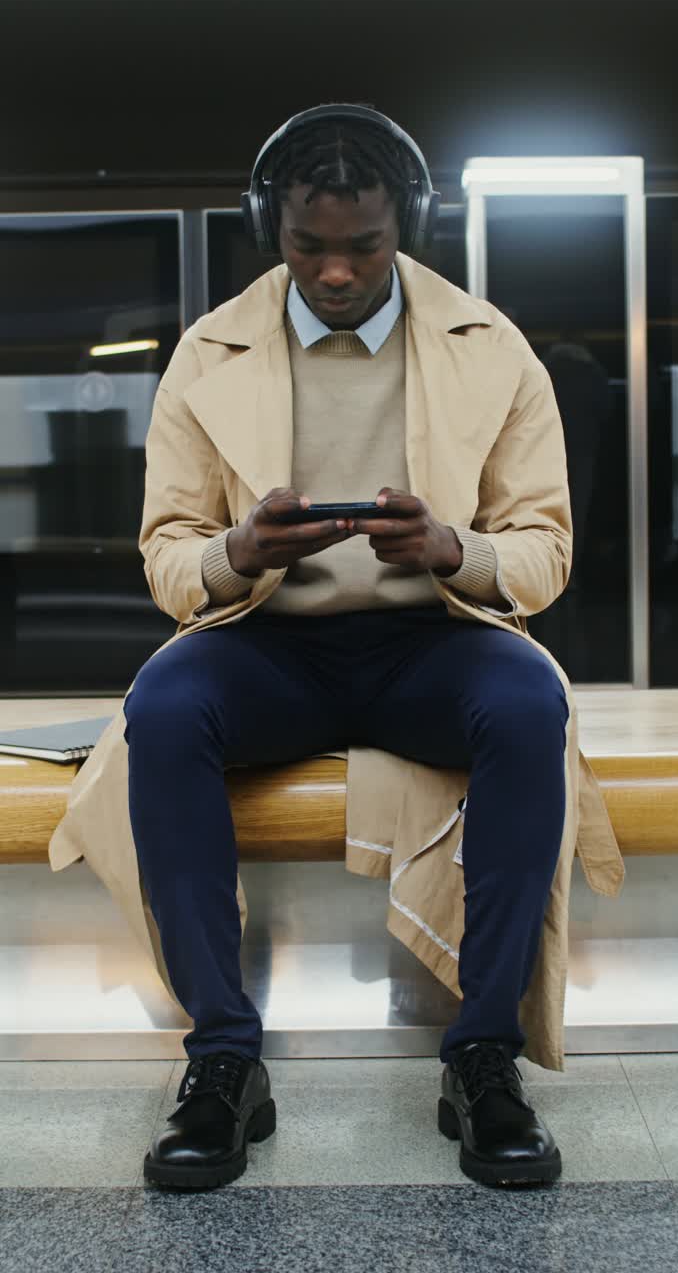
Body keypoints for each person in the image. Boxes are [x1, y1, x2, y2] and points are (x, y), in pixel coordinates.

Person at [126, 102, 573, 1191]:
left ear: (404, 227)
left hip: (435, 639)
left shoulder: (490, 344)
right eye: (307, 247)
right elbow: (168, 557)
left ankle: (483, 1054)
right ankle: (225, 1059)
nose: (334, 272)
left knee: (527, 706)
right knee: (163, 706)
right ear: (268, 229)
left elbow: (543, 550)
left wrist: (452, 547)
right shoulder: (208, 351)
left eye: (362, 247)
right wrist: (237, 548)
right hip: (267, 646)